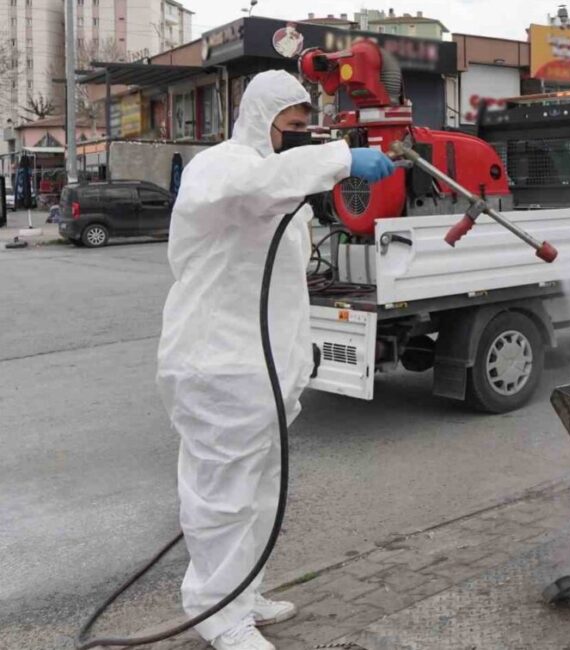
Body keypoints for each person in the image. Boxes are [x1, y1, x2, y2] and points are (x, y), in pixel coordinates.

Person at [156, 70, 395, 650]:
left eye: (305, 127)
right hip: (215, 363)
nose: (299, 138)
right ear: (261, 121)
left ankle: (245, 592)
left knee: (258, 489)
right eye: (290, 127)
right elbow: (259, 185)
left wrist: (296, 359)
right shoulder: (225, 166)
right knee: (222, 496)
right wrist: (342, 158)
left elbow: (282, 283)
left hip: (256, 367)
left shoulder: (277, 181)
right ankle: (217, 617)